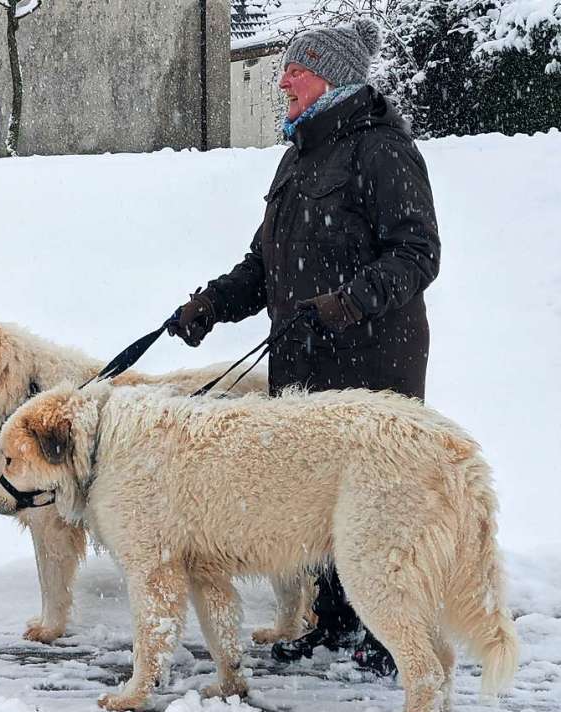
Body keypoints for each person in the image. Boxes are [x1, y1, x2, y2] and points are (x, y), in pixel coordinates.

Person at [167, 19, 440, 675]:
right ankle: (333, 622)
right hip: (304, 363)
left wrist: (349, 301)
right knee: (319, 496)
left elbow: (416, 253)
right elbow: (263, 267)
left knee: (373, 501)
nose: (281, 79)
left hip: (370, 360)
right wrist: (211, 303)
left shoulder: (381, 151)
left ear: (333, 77)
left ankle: (384, 632)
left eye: (295, 68)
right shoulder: (297, 156)